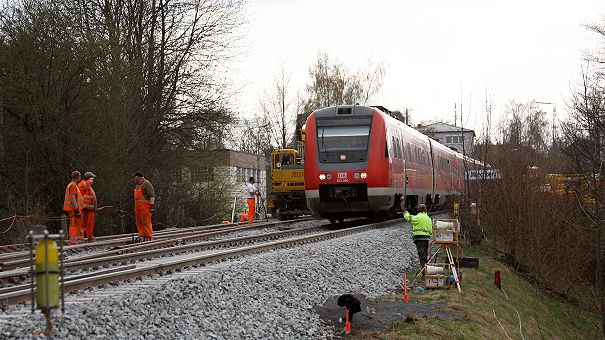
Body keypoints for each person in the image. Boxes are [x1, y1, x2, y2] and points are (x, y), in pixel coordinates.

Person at [401, 202, 433, 270]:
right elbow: (430, 230)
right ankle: (426, 269)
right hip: (426, 239)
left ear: (419, 210)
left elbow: (408, 217)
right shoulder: (428, 219)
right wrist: (428, 236)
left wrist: (403, 209)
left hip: (419, 239)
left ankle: (423, 270)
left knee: (421, 255)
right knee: (425, 255)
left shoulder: (418, 217)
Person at [133, 171, 155, 241]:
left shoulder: (146, 183)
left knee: (146, 222)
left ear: (138, 178)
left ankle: (148, 236)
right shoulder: (137, 185)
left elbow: (152, 195)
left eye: (135, 178)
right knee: (139, 222)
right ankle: (142, 235)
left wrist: (152, 206)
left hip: (145, 207)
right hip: (138, 208)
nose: (134, 180)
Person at [63, 171, 84, 244]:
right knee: (74, 226)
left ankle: (76, 240)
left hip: (74, 210)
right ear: (78, 177)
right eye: (80, 177)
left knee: (76, 226)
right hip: (74, 210)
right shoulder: (73, 186)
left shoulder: (73, 185)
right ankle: (74, 241)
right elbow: (73, 199)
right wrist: (77, 210)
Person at [78, 172, 97, 242]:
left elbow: (93, 198)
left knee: (90, 225)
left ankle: (90, 237)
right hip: (85, 209)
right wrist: (91, 179)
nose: (93, 180)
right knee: (83, 225)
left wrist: (95, 208)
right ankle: (80, 239)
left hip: (90, 209)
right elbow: (86, 183)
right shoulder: (82, 184)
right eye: (92, 179)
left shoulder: (89, 186)